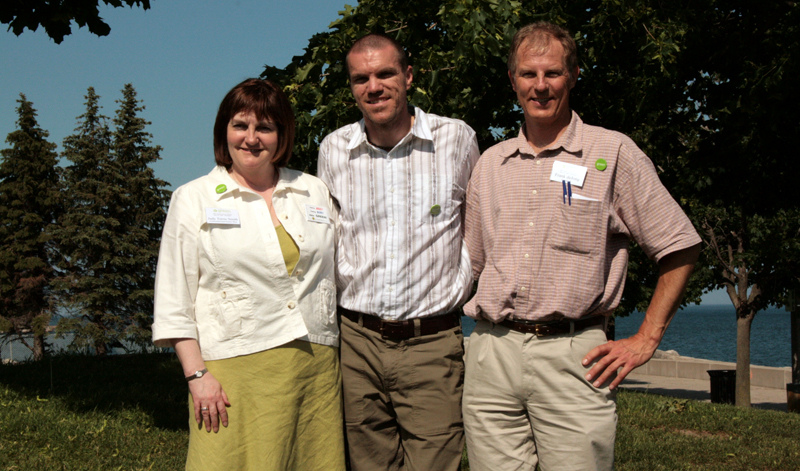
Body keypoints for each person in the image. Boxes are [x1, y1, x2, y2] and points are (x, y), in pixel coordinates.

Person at [462, 22, 702, 471]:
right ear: (512, 80)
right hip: (491, 354)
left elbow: (679, 244)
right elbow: (469, 264)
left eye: (552, 73)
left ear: (573, 75)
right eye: (528, 74)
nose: (540, 86)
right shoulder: (490, 165)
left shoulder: (612, 154)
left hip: (575, 356)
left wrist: (647, 339)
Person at [152, 78, 344, 471]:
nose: (251, 138)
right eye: (241, 125)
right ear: (225, 130)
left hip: (315, 371)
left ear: (282, 135)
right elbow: (174, 299)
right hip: (232, 374)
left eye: (265, 128)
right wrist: (197, 375)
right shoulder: (194, 199)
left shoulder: (314, 190)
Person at [317, 33, 480, 471]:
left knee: (435, 462)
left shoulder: (458, 139)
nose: (374, 87)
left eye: (385, 73)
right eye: (361, 78)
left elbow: (478, 227)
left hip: (431, 342)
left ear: (408, 76)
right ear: (351, 88)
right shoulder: (333, 150)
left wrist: (461, 286)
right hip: (357, 342)